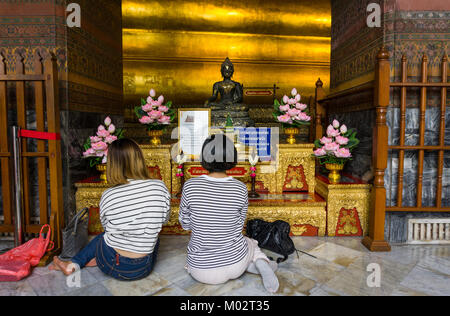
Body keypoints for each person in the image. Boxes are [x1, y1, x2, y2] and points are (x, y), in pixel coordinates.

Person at [50, 138, 171, 281]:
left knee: (104, 236)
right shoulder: (159, 186)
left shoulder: (108, 195)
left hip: (112, 264)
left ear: (113, 164)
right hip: (143, 268)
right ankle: (92, 259)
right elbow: (164, 219)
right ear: (139, 159)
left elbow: (108, 228)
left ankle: (75, 263)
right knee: (153, 235)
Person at [179, 134, 279, 293]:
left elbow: (185, 224)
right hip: (235, 266)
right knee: (250, 242)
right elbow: (238, 225)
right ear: (231, 156)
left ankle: (255, 265)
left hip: (199, 270)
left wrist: (204, 222)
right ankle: (260, 263)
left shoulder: (190, 186)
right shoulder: (240, 189)